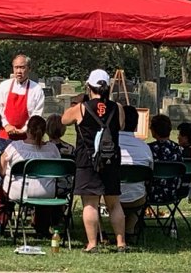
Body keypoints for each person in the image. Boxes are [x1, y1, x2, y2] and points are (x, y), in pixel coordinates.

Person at [61, 69, 127, 253]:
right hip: (111, 159)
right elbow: (120, 125)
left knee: (90, 203)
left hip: (87, 159)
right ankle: (121, 243)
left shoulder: (81, 108)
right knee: (114, 202)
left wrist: (82, 101)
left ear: (89, 86)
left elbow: (64, 119)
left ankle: (92, 243)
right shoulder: (117, 108)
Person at [0, 115, 62, 236]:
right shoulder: (52, 149)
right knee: (43, 188)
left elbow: (0, 169)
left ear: (27, 130)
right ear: (44, 132)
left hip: (18, 191)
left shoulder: (15, 146)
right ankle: (42, 228)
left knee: (1, 195)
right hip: (46, 193)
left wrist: (6, 177)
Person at [119, 105, 153, 238]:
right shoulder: (144, 148)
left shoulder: (108, 145)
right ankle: (129, 231)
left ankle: (101, 233)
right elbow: (150, 172)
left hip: (110, 198)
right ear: (136, 124)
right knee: (138, 187)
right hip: (137, 198)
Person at [0, 54, 44, 140]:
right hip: (4, 135)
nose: (19, 71)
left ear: (29, 69)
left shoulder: (36, 90)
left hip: (27, 137)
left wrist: (24, 129)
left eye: (22, 67)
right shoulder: (4, 86)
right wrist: (6, 125)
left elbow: (37, 115)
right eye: (16, 67)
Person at [148, 114, 183, 204]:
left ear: (154, 131)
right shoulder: (178, 149)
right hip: (172, 193)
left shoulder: (148, 149)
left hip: (149, 193)